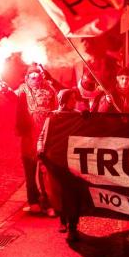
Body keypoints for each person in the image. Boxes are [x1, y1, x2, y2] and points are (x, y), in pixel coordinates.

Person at [0, 66, 57, 214]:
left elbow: (56, 108)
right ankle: (33, 201)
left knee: (45, 171)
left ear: (41, 76)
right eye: (31, 76)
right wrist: (6, 90)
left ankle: (49, 203)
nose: (34, 79)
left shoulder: (50, 89)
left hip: (46, 135)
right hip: (28, 136)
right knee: (30, 170)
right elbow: (14, 97)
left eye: (37, 76)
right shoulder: (23, 89)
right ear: (27, 77)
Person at [38, 89, 80, 237]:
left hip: (72, 161)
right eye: (72, 99)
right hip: (56, 160)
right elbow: (43, 135)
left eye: (75, 99)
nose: (74, 101)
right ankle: (63, 221)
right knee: (59, 192)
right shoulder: (54, 116)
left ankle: (73, 224)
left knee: (73, 193)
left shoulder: (77, 116)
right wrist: (41, 152)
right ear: (63, 100)